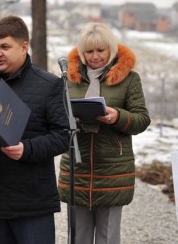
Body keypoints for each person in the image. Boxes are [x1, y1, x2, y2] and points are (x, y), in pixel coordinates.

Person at [0, 15, 69, 244]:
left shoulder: (49, 85)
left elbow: (63, 136)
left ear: (23, 47)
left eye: (4, 47)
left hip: (32, 202)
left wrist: (27, 149)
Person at [57, 22, 151, 244]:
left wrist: (117, 117)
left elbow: (142, 119)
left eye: (100, 50)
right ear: (81, 52)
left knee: (107, 237)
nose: (95, 56)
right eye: (89, 51)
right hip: (77, 167)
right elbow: (55, 115)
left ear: (111, 49)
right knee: (78, 236)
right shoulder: (68, 78)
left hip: (112, 169)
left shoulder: (129, 79)